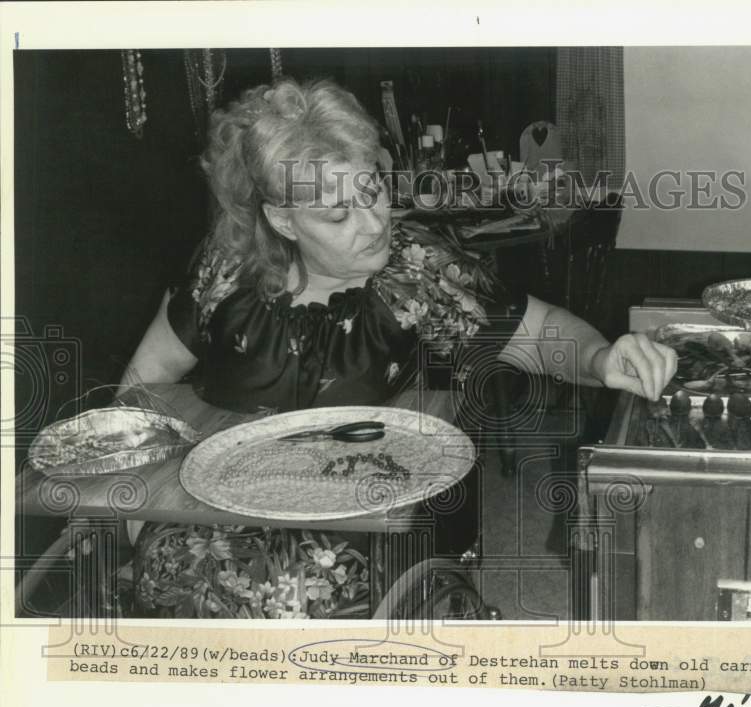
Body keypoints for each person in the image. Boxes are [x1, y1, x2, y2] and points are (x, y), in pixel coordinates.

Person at [119, 77, 676, 620]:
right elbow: (151, 372)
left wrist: (602, 359)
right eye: (337, 215)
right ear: (281, 219)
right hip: (215, 511)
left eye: (374, 191)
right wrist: (137, 508)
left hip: (365, 514)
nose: (374, 224)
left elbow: (538, 331)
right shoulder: (227, 267)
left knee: (306, 600)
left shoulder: (414, 270)